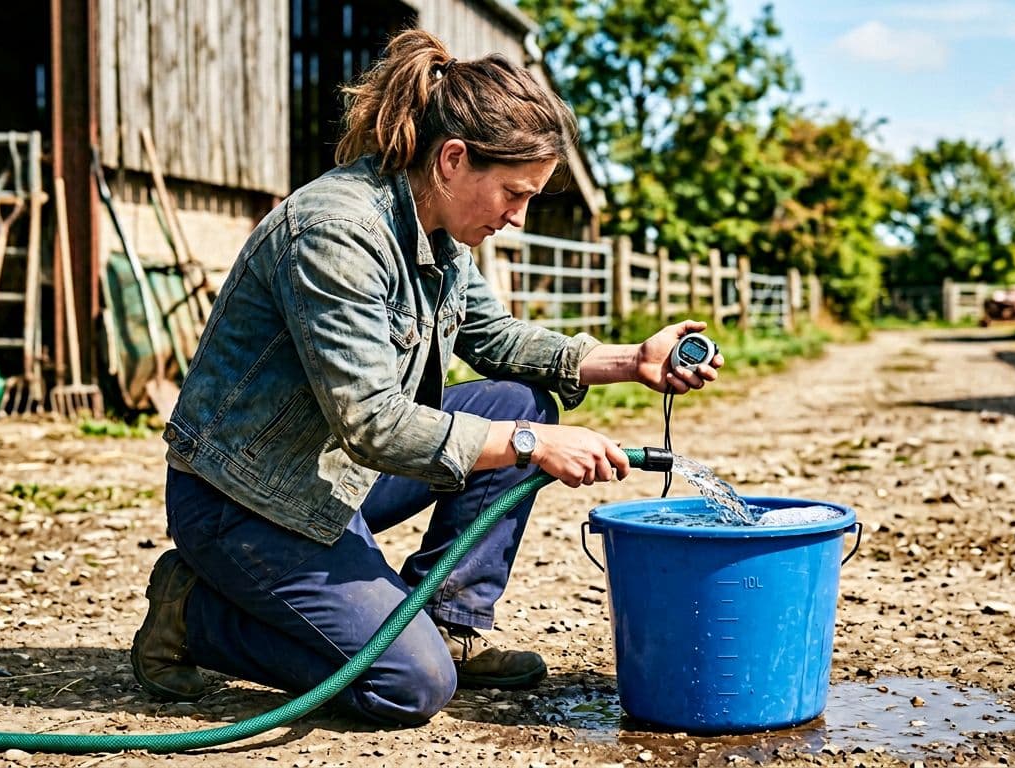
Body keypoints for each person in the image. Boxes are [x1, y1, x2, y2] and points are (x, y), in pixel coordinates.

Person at [130, 29, 722, 727]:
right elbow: (372, 421)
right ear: (452, 159)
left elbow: (493, 337)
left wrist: (631, 361)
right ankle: (193, 614)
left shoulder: (435, 225)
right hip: (244, 500)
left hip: (329, 474)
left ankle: (448, 622)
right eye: (513, 193)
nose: (518, 217)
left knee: (518, 398)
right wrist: (530, 445)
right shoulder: (336, 233)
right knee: (409, 687)